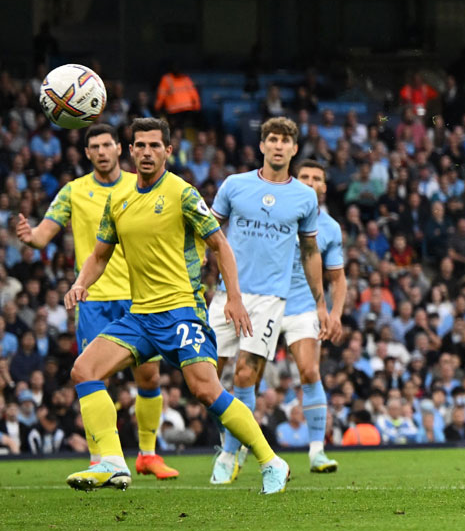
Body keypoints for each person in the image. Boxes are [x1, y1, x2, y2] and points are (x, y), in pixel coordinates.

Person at [62, 118, 289, 494]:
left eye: (155, 145)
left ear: (168, 150)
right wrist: (80, 283)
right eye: (140, 145)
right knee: (84, 370)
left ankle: (271, 460)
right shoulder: (118, 201)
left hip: (182, 310)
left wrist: (233, 298)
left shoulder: (183, 193)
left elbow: (221, 246)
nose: (147, 152)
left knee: (206, 391)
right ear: (130, 150)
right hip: (140, 316)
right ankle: (113, 463)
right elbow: (99, 255)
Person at [16, 124, 178, 480]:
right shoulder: (73, 191)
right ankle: (99, 457)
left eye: (108, 145)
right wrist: (30, 238)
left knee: (149, 377)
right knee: (92, 376)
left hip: (139, 296)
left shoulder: (142, 185)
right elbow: (44, 234)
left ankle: (148, 454)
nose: (102, 151)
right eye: (95, 147)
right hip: (94, 300)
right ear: (86, 153)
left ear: (119, 148)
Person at [208, 117, 322, 485]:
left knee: (244, 374)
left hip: (271, 298)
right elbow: (209, 235)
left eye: (284, 141)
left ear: (293, 149)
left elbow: (309, 250)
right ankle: (238, 441)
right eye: (271, 139)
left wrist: (319, 300)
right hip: (228, 293)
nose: (277, 146)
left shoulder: (305, 197)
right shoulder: (234, 185)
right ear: (261, 146)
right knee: (205, 374)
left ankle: (229, 453)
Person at [278, 159, 346, 473]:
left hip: (304, 305)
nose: (309, 181)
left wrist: (335, 313)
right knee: (241, 377)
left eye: (316, 178)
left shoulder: (330, 227)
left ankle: (317, 451)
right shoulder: (275, 210)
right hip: (264, 299)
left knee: (309, 371)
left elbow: (338, 277)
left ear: (323, 186)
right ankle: (231, 451)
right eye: (303, 176)